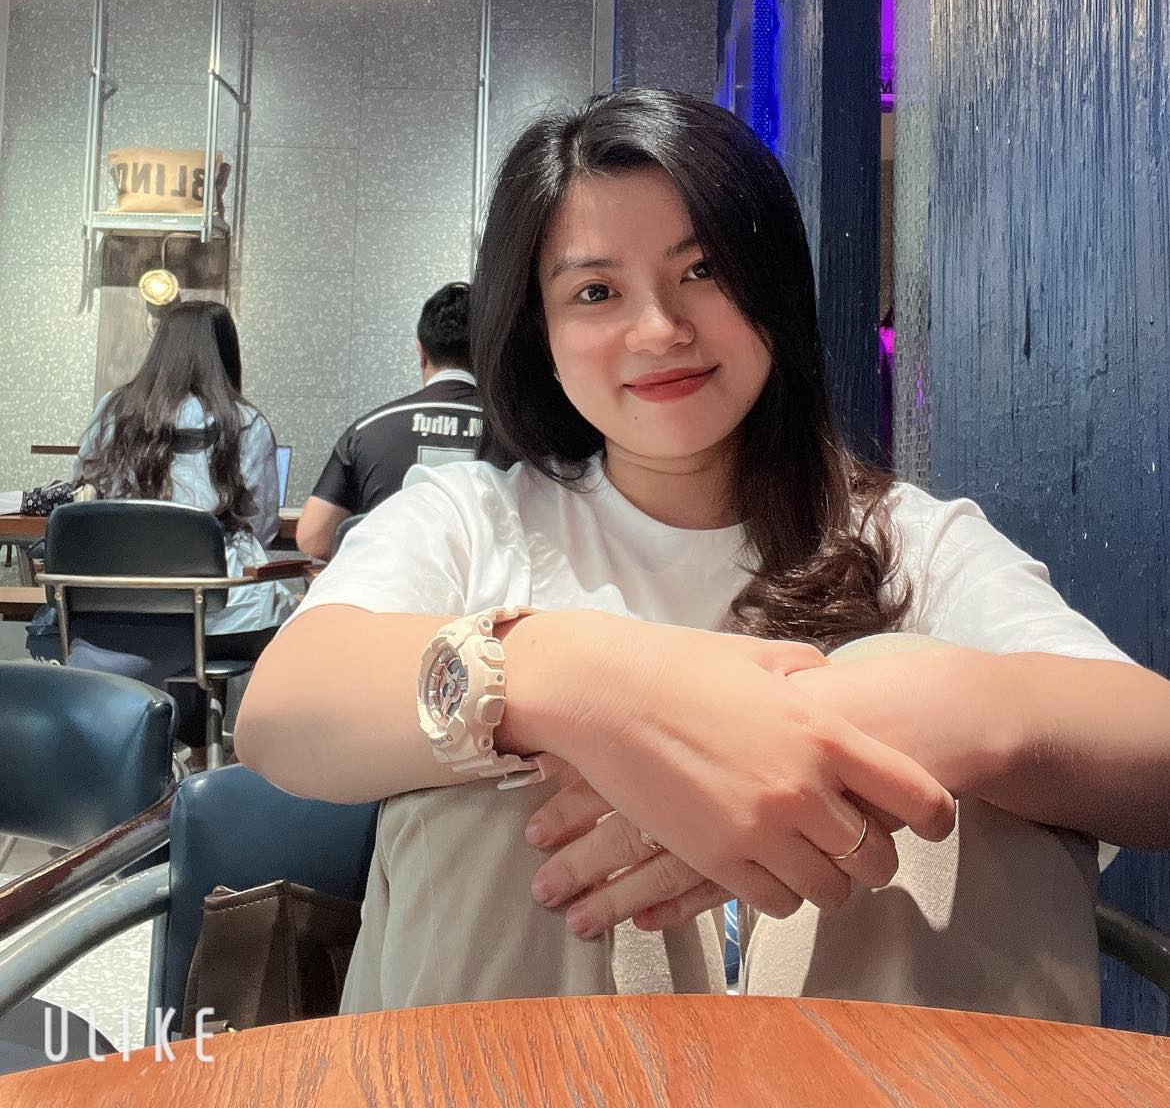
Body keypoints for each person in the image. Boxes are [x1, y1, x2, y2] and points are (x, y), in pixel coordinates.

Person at [236, 89, 1170, 1022]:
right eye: (596, 292)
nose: (660, 329)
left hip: (863, 1070)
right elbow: (279, 713)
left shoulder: (903, 539)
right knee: (511, 781)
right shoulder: (470, 521)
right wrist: (568, 680)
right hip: (538, 1066)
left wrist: (908, 717)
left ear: (771, 286)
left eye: (704, 270)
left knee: (941, 798)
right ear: (540, 333)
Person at [28, 300, 295, 744]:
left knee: (158, 629)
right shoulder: (245, 423)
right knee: (275, 612)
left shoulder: (113, 410)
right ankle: (203, 749)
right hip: (218, 623)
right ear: (227, 354)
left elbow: (85, 497)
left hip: (111, 613)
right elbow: (262, 526)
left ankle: (145, 747)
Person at [296, 282, 481, 560]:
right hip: (485, 588)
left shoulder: (367, 431)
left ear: (421, 354)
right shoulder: (518, 437)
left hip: (389, 584)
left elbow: (312, 538)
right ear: (487, 353)